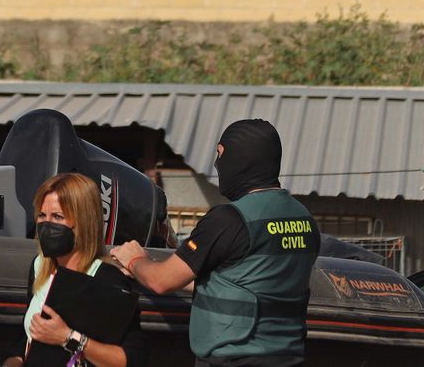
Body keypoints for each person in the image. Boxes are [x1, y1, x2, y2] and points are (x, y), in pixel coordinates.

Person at [112, 119, 320, 367]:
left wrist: (135, 260)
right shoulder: (304, 219)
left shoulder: (230, 219)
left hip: (234, 359)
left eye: (221, 154)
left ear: (243, 157)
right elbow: (244, 283)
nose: (216, 164)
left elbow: (160, 281)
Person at [5, 173, 146, 367]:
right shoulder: (40, 267)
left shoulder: (107, 278)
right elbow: (29, 337)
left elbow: (131, 360)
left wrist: (68, 337)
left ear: (83, 222)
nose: (47, 224)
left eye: (58, 217)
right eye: (42, 215)